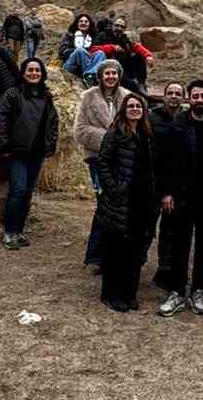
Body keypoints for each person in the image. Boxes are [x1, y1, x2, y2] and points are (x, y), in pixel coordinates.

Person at [158, 80, 203, 316]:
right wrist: (167, 191)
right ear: (189, 98)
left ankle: (198, 289)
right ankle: (177, 291)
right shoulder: (178, 125)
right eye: (196, 96)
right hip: (182, 196)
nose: (199, 100)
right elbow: (166, 161)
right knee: (180, 245)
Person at [96, 93, 158, 312]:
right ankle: (111, 294)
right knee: (116, 250)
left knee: (135, 250)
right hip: (120, 201)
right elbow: (102, 164)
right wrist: (114, 189)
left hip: (143, 201)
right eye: (130, 106)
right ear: (124, 110)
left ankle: (129, 293)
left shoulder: (148, 135)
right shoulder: (114, 134)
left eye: (138, 106)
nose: (134, 109)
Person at [0, 56, 59, 249]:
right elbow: (2, 120)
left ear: (42, 74)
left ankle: (19, 230)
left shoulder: (46, 97)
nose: (34, 73)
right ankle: (9, 232)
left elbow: (53, 123)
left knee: (27, 193)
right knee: (18, 190)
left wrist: (50, 145)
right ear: (23, 73)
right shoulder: (12, 94)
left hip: (37, 152)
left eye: (37, 70)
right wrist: (4, 145)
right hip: (16, 152)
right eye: (30, 70)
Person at [72, 59, 130, 268]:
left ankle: (113, 253)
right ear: (100, 76)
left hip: (123, 159)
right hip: (98, 158)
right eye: (107, 74)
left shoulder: (127, 97)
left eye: (114, 73)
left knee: (118, 205)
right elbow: (80, 131)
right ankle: (95, 255)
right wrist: (109, 139)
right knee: (104, 203)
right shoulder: (89, 97)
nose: (111, 77)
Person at [148, 82, 184, 288]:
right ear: (164, 96)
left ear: (183, 97)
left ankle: (164, 270)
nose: (173, 97)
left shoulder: (185, 119)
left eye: (178, 94)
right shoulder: (152, 118)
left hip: (174, 184)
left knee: (169, 231)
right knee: (146, 228)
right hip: (152, 182)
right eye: (170, 93)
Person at [60, 12, 107, 81]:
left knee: (100, 53)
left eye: (86, 21)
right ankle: (90, 74)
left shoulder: (93, 37)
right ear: (77, 24)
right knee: (80, 50)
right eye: (81, 21)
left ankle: (89, 76)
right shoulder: (70, 35)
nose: (83, 23)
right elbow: (62, 51)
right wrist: (79, 52)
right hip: (71, 64)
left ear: (89, 24)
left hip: (86, 64)